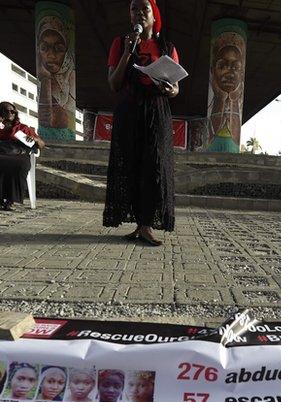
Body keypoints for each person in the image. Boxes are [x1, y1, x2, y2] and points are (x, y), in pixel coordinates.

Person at [104, 0, 179, 246]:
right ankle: (139, 224)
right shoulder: (120, 43)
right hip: (129, 110)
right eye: (134, 9)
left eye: (144, 9)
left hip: (156, 112)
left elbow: (175, 88)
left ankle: (146, 225)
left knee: (153, 165)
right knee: (131, 164)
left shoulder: (167, 47)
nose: (139, 13)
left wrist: (169, 89)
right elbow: (114, 83)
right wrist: (128, 51)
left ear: (154, 15)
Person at [0, 102, 45, 211]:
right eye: (6, 110)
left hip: (19, 154)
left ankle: (11, 200)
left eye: (12, 111)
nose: (10, 113)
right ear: (0, 113)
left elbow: (42, 145)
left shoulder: (23, 128)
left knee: (20, 164)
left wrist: (35, 140)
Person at [37, 13, 77, 139]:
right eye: (44, 48)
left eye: (58, 49)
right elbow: (45, 119)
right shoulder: (42, 76)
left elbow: (60, 120)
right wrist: (45, 78)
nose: (51, 55)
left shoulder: (70, 75)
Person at [207, 32, 245, 152]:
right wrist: (220, 97)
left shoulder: (237, 102)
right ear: (213, 71)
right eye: (222, 66)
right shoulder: (212, 104)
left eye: (235, 67)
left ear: (242, 73)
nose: (230, 73)